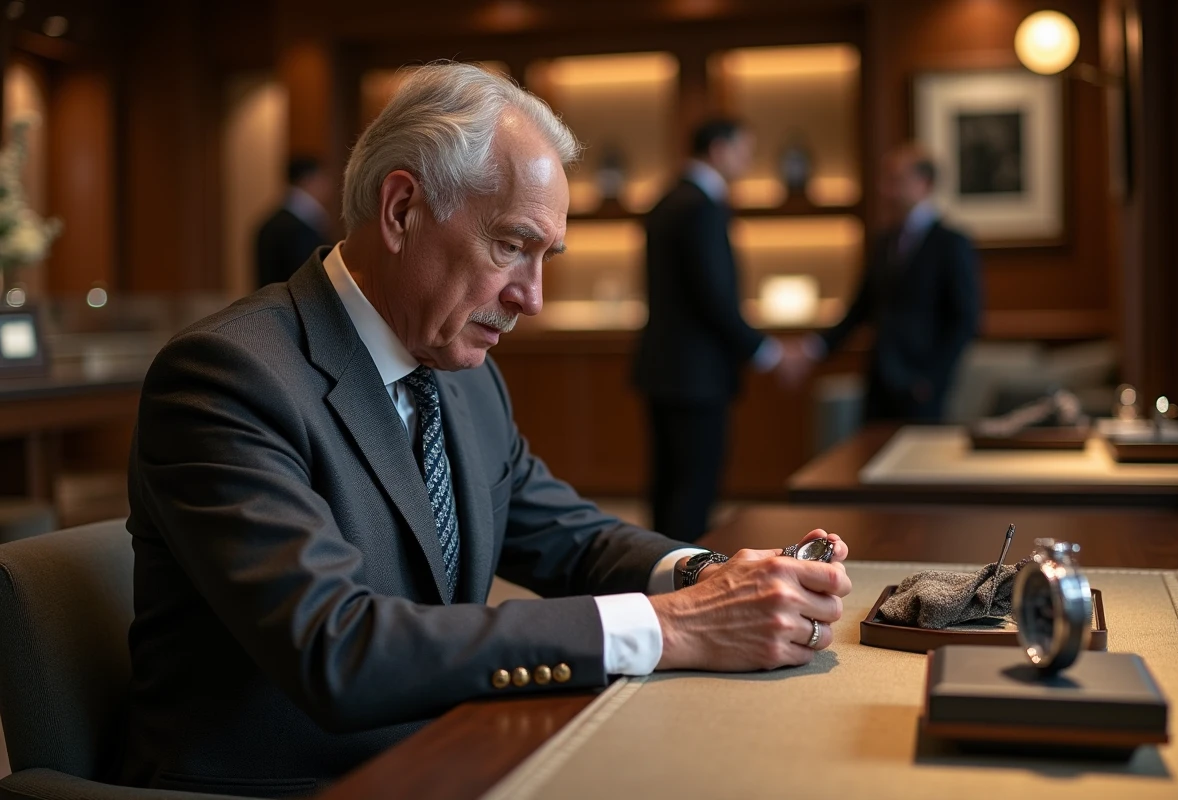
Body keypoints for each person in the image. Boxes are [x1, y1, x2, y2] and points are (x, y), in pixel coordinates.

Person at [121, 64, 852, 795]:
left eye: (545, 258)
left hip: (454, 757)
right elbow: (337, 649)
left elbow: (573, 539)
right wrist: (675, 626)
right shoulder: (227, 377)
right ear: (402, 209)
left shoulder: (462, 375)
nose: (530, 298)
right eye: (511, 246)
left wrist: (708, 574)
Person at [633, 119, 805, 543]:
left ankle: (660, 576)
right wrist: (768, 353)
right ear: (718, 149)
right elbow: (714, 299)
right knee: (693, 491)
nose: (747, 161)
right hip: (697, 376)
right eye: (743, 150)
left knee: (669, 486)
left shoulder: (667, 199)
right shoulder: (701, 206)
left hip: (665, 368)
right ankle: (685, 585)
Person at [793, 144, 982, 421]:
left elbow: (966, 319)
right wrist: (812, 349)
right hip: (879, 381)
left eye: (895, 180)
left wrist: (932, 379)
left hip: (921, 386)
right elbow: (860, 309)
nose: (885, 190)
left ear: (924, 184)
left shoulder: (951, 244)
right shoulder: (884, 243)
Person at [255, 155, 335, 287]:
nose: (327, 185)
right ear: (308, 180)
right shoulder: (299, 226)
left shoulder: (270, 222)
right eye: (323, 177)